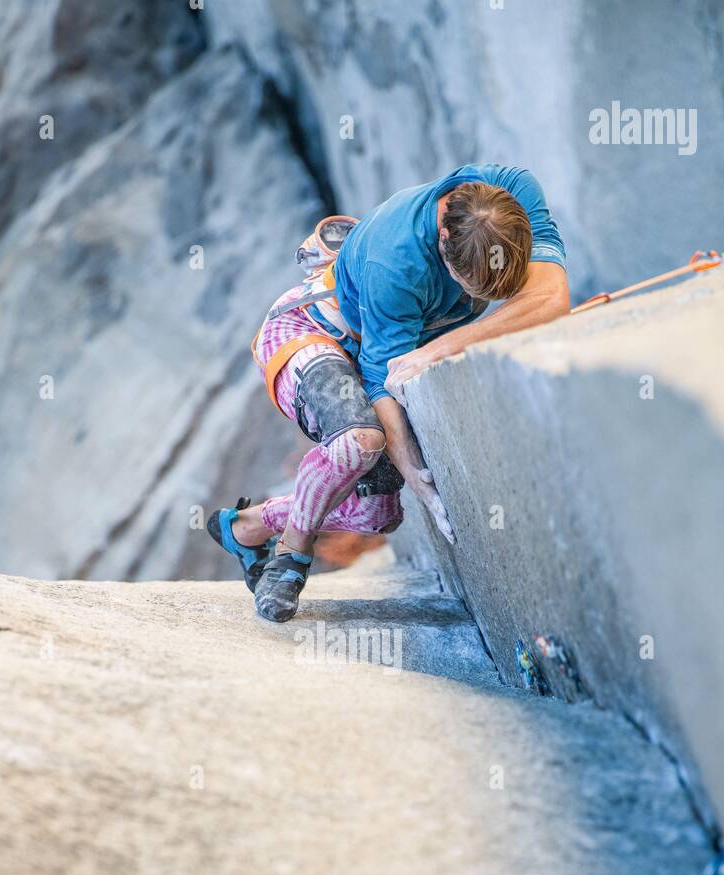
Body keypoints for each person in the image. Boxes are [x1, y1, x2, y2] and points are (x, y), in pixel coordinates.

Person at [208, 164, 569, 622]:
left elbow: (550, 299)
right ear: (443, 243)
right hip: (308, 333)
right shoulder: (395, 261)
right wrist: (415, 475)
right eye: (470, 288)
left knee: (376, 518)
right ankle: (291, 557)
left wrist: (438, 347)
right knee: (360, 441)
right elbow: (383, 380)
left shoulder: (514, 192)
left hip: (373, 346)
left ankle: (247, 527)